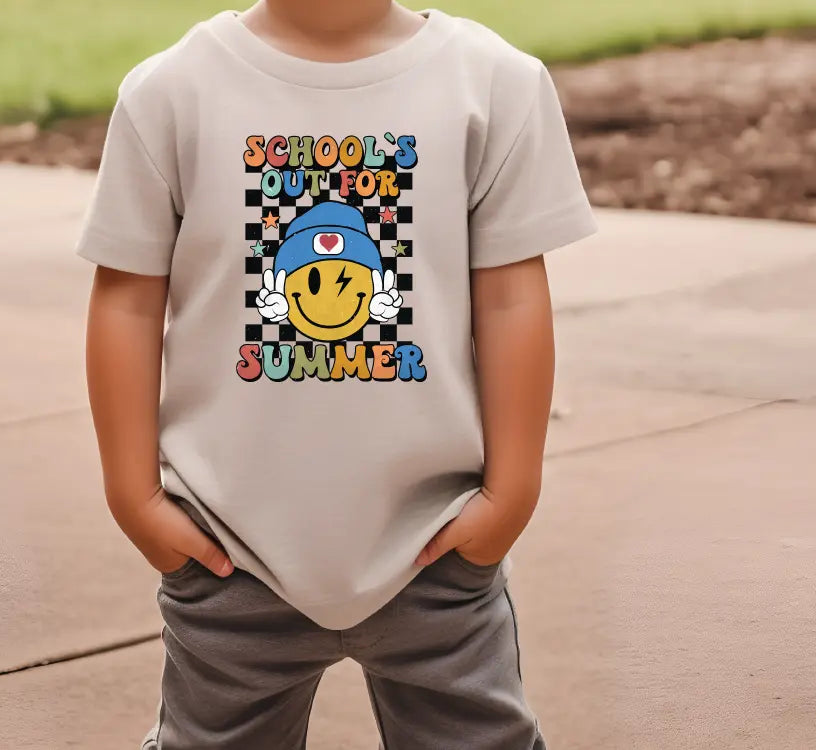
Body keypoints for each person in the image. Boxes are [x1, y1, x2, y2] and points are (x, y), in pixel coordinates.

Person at [77, 1, 596, 747]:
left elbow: (513, 299)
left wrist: (512, 492)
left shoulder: (493, 85)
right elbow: (127, 300)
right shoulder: (171, 92)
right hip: (227, 548)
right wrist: (134, 496)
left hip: (437, 544)